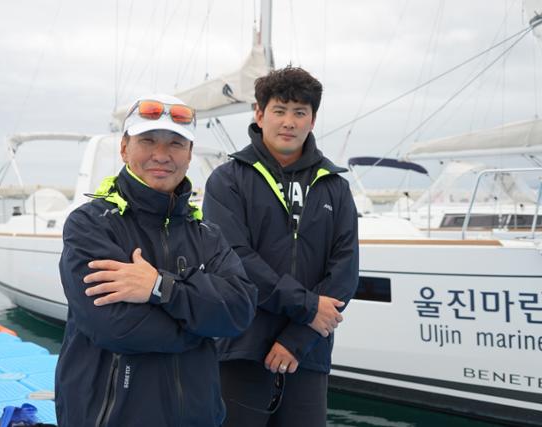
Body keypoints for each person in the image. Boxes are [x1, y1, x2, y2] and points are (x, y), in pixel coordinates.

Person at [55, 94, 258, 427]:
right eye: (147, 140)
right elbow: (115, 327)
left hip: (198, 417)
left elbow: (239, 311)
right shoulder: (90, 224)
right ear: (124, 148)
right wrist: (203, 328)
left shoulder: (206, 233)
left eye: (176, 144)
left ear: (190, 155)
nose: (161, 155)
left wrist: (160, 287)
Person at [203, 67, 359, 426]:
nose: (289, 122)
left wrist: (298, 338)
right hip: (240, 347)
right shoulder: (227, 180)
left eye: (300, 112)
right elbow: (234, 259)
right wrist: (307, 307)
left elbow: (345, 270)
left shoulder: (334, 186)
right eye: (279, 110)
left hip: (307, 353)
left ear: (312, 120)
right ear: (259, 114)